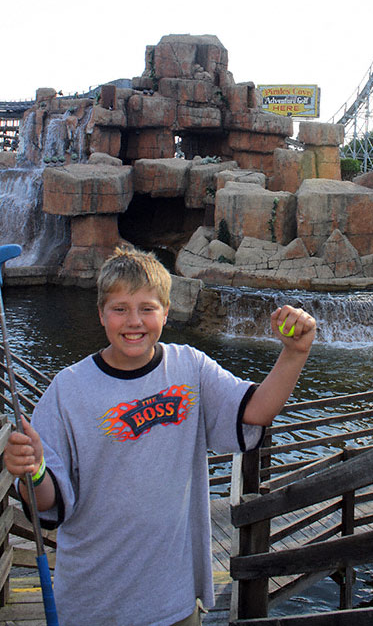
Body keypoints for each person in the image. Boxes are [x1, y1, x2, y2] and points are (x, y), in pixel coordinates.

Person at [5, 246, 316, 626]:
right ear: (101, 314)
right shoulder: (67, 390)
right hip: (92, 603)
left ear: (166, 313)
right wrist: (33, 469)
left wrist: (294, 353)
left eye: (147, 308)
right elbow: (47, 501)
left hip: (173, 600)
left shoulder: (190, 367)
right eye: (119, 308)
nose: (133, 321)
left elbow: (257, 410)